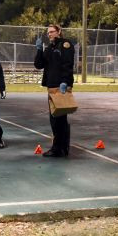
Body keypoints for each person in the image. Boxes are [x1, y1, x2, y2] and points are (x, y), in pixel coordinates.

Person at [33, 23, 74, 157]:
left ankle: (58, 148)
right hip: (51, 87)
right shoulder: (50, 48)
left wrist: (65, 81)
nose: (49, 34)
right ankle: (62, 147)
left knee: (59, 119)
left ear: (59, 31)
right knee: (55, 119)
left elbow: (68, 64)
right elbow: (39, 65)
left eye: (52, 31)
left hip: (61, 86)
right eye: (48, 32)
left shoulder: (65, 45)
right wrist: (39, 50)